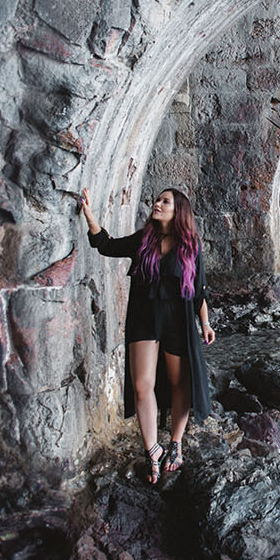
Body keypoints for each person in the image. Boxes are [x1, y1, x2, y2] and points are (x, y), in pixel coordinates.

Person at [79, 186, 215, 484]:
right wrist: (89, 216)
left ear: (178, 209)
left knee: (181, 384)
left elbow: (200, 289)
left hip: (177, 320)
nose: (157, 204)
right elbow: (107, 245)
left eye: (165, 201)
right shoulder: (144, 239)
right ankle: (151, 448)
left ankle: (175, 443)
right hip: (143, 318)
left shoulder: (191, 245)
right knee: (142, 385)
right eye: (157, 199)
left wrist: (205, 324)